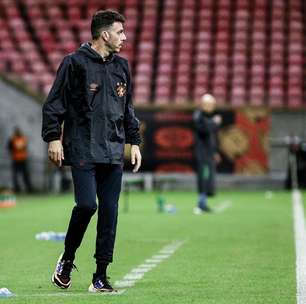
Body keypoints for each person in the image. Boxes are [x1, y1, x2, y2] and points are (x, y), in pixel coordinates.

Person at [42, 10, 142, 293]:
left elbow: (128, 108)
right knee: (87, 205)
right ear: (104, 34)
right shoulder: (73, 63)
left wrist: (134, 142)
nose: (124, 37)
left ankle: (100, 276)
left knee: (109, 213)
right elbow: (53, 104)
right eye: (120, 32)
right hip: (83, 147)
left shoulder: (122, 66)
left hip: (112, 150)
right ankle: (68, 257)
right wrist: (53, 138)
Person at [193, 93, 222, 214]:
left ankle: (203, 203)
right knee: (204, 178)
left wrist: (214, 152)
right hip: (202, 154)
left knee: (207, 178)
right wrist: (215, 122)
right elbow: (205, 130)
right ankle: (201, 204)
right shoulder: (199, 116)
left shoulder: (205, 117)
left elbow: (210, 137)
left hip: (208, 154)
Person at [7, 127, 33, 193]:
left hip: (23, 160)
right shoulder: (12, 139)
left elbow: (25, 147)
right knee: (15, 176)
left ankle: (29, 189)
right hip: (15, 160)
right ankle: (17, 189)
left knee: (26, 175)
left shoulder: (23, 138)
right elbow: (9, 148)